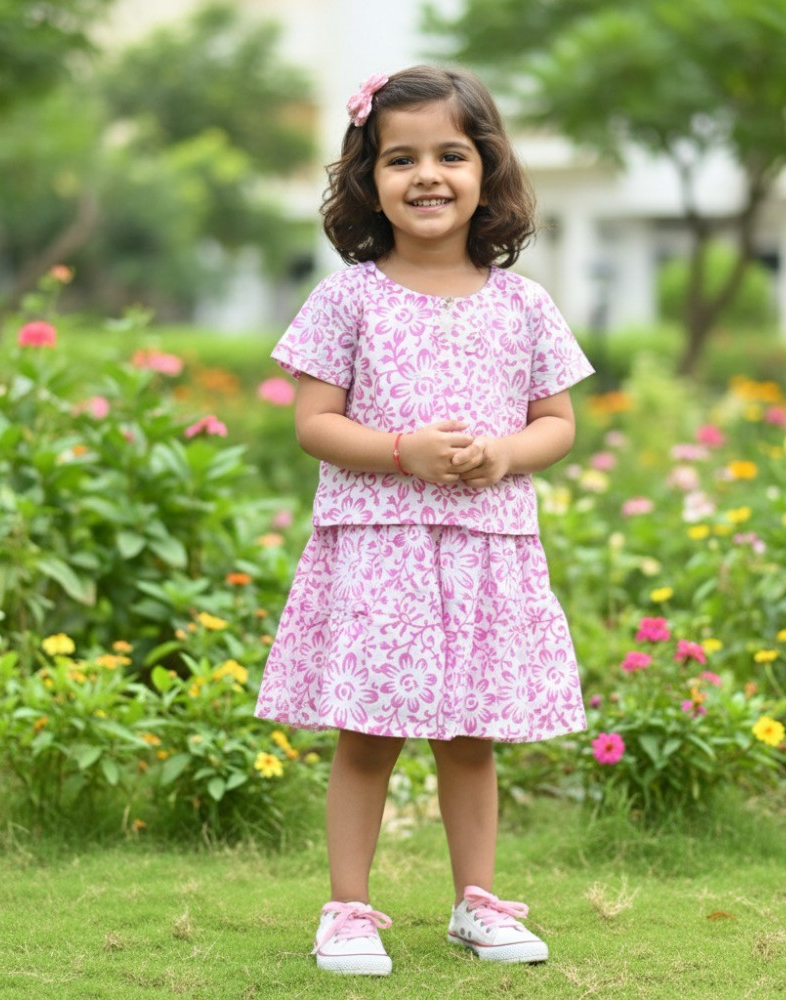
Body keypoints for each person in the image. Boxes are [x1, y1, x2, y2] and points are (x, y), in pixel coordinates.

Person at [255, 64, 593, 976]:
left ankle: (476, 904)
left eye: (451, 153)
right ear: (369, 180)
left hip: (484, 550)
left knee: (468, 735)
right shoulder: (349, 297)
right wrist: (404, 449)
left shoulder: (523, 304)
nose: (428, 175)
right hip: (380, 551)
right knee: (367, 736)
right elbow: (314, 424)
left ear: (488, 170)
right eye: (400, 158)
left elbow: (557, 425)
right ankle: (349, 910)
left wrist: (503, 453)